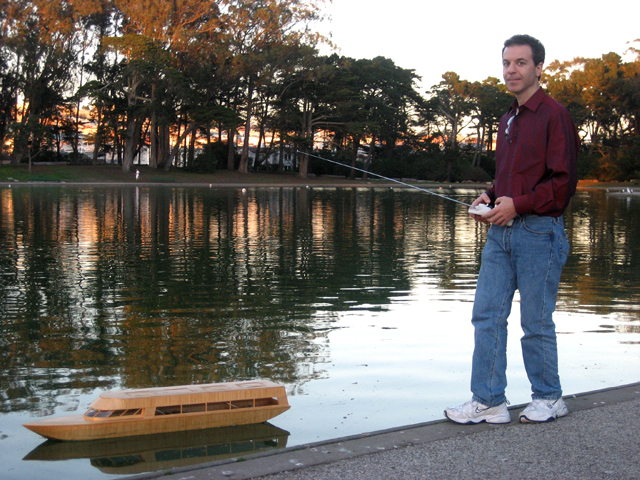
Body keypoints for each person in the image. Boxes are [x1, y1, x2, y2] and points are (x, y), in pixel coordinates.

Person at [444, 34, 580, 424]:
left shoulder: (555, 116)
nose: (511, 70)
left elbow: (562, 183)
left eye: (521, 63)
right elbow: (507, 179)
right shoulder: (507, 119)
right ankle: (489, 400)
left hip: (540, 233)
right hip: (500, 235)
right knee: (486, 316)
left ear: (539, 68)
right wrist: (488, 199)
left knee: (535, 322)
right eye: (507, 62)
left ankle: (549, 398)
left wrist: (516, 205)